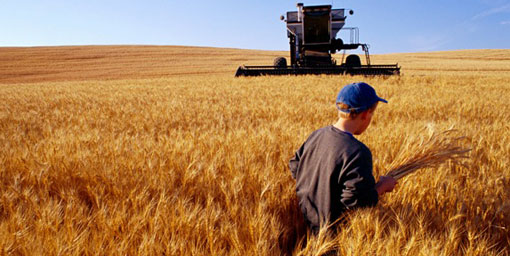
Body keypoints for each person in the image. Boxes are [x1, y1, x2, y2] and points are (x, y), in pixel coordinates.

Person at [289, 82, 397, 233]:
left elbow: (295, 166)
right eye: (372, 114)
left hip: (307, 223)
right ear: (365, 114)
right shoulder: (357, 152)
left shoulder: (316, 135)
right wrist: (383, 186)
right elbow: (356, 202)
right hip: (334, 234)